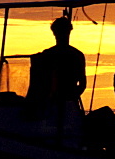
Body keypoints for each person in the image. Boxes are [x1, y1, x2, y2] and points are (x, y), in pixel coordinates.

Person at [25, 15, 86, 144]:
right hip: (51, 102)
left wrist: (70, 97)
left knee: (66, 136)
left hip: (65, 102)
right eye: (60, 31)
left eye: (63, 31)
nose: (62, 34)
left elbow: (82, 83)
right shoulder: (49, 54)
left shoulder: (74, 55)